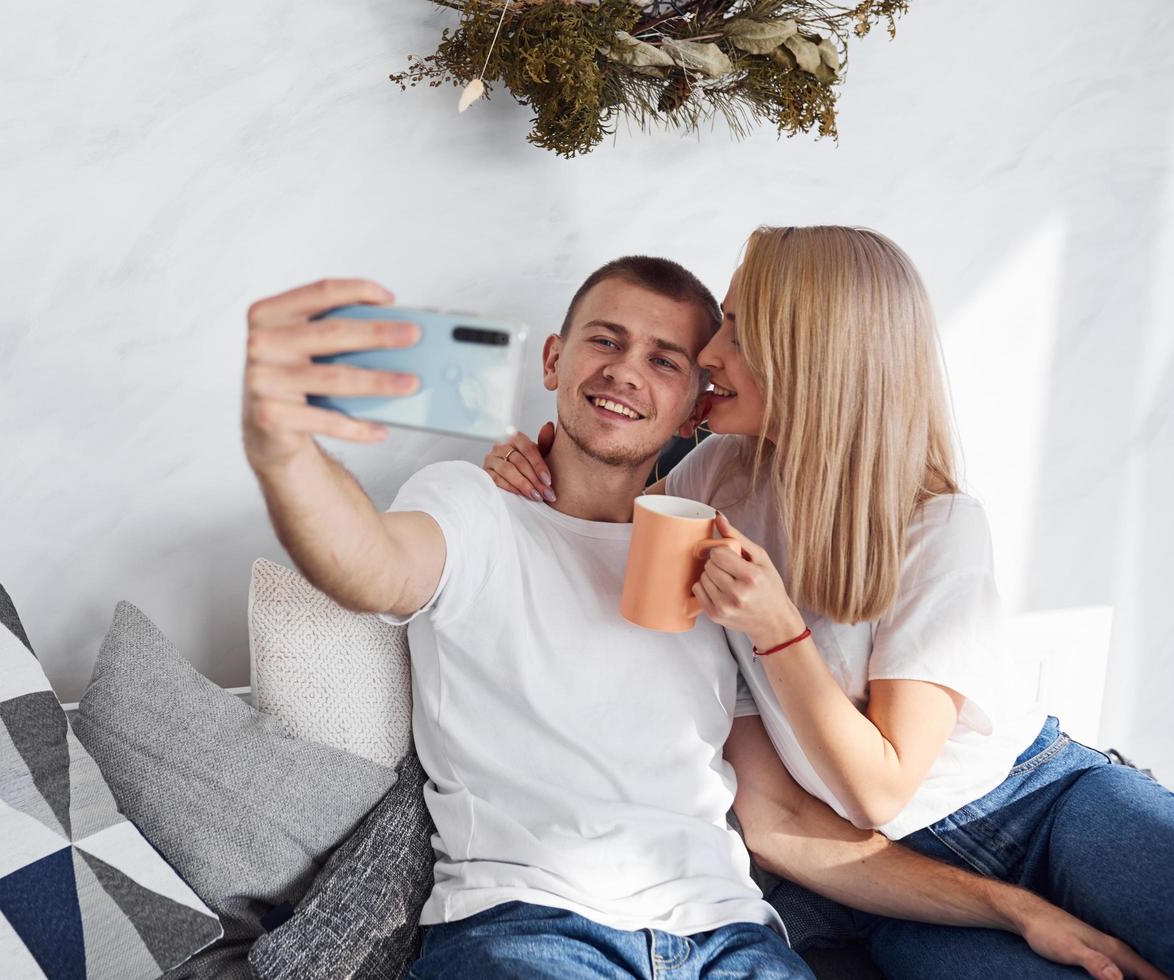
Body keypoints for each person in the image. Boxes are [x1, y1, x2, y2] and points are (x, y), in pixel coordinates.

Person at [242, 262, 1158, 979]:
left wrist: (1014, 906)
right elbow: (369, 565)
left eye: (669, 360)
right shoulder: (477, 504)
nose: (627, 374)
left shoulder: (726, 548)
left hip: (786, 911)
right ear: (555, 359)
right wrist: (283, 446)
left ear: (692, 405)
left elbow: (822, 802)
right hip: (547, 921)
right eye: (604, 342)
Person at [484, 229, 1174, 977]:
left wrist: (779, 632)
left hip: (1039, 805)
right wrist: (535, 473)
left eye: (741, 331)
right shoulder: (720, 473)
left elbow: (881, 787)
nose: (711, 353)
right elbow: (605, 535)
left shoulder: (938, 526)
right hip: (883, 878)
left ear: (810, 356)